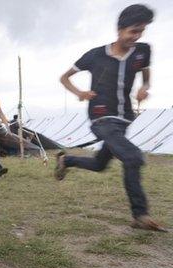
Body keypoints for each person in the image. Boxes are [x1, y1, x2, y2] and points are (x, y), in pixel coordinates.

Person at [56, 4, 166, 232]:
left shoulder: (142, 51)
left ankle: (66, 161)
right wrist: (80, 93)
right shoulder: (95, 55)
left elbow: (145, 73)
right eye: (133, 31)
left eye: (141, 31)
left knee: (99, 165)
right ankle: (140, 215)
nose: (137, 37)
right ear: (119, 29)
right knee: (133, 157)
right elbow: (64, 77)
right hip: (100, 117)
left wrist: (145, 87)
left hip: (124, 117)